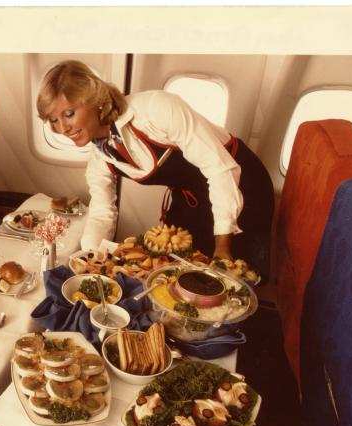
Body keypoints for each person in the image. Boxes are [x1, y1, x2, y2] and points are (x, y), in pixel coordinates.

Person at [36, 60, 274, 279]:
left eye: (69, 114)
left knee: (233, 275)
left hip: (240, 182)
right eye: (53, 120)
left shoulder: (155, 109)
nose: (63, 128)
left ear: (94, 100)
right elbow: (102, 212)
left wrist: (222, 248)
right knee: (182, 271)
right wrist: (88, 260)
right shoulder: (100, 155)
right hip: (192, 196)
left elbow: (219, 168)